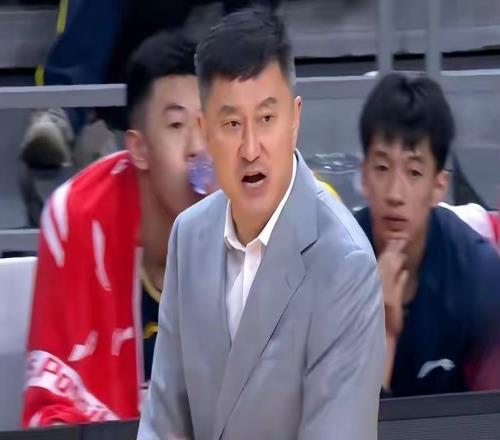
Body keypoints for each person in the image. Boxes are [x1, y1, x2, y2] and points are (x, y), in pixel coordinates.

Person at [138, 7, 385, 440]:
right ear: (205, 131)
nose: (251, 148)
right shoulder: (188, 237)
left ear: (295, 119)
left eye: (267, 119)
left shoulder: (345, 265)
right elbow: (164, 421)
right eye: (232, 123)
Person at [22, 32, 213, 427]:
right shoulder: (77, 217)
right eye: (177, 124)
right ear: (138, 148)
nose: (199, 147)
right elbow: (54, 407)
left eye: (210, 123)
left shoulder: (257, 215)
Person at [355, 72, 500, 397]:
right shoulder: (331, 267)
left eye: (414, 172)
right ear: (364, 177)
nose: (395, 193)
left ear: (438, 187)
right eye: (382, 168)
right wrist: (381, 332)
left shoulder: (479, 277)